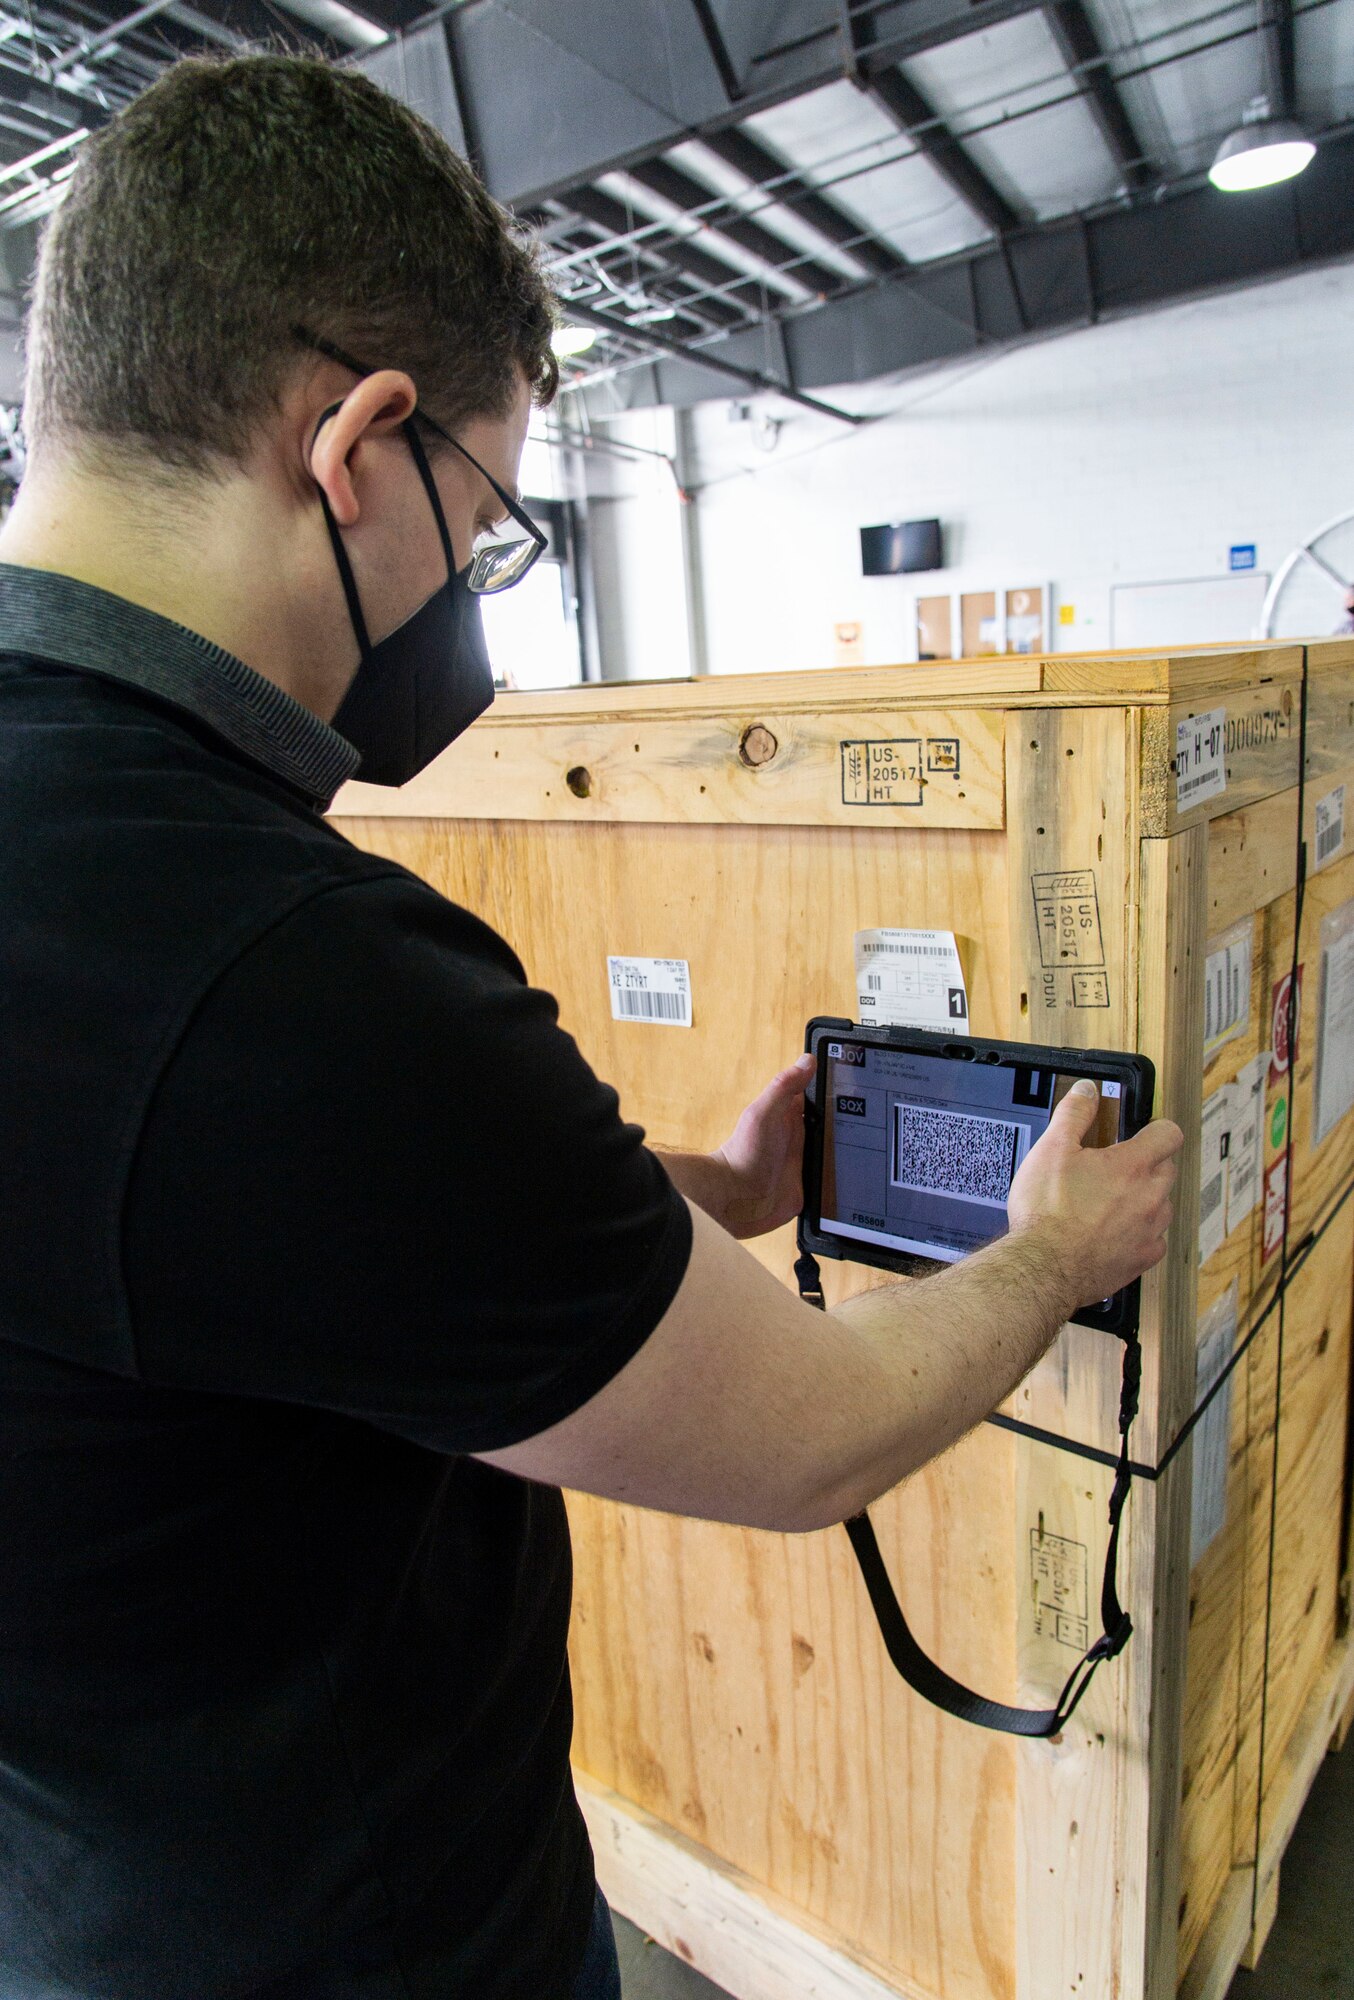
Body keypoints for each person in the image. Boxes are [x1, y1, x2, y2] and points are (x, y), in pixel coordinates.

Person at [0, 53, 1183, 2000]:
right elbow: (802, 1438)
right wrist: (1055, 1252)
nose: (473, 587)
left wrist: (700, 1190)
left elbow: (237, 1249)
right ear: (358, 447)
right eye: (485, 518)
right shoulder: (284, 966)